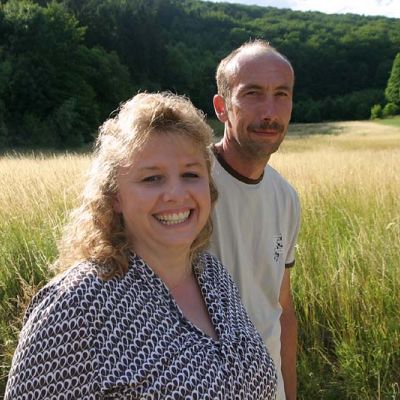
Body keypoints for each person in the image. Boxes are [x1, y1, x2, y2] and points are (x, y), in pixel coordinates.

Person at [5, 92, 277, 399]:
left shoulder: (212, 275)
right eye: (152, 179)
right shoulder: (76, 306)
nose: (176, 194)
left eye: (190, 174)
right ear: (115, 197)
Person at [209, 40, 300, 400]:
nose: (270, 111)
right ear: (222, 107)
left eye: (281, 94)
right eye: (252, 94)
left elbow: (282, 308)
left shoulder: (286, 198)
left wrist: (288, 392)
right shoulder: (187, 186)